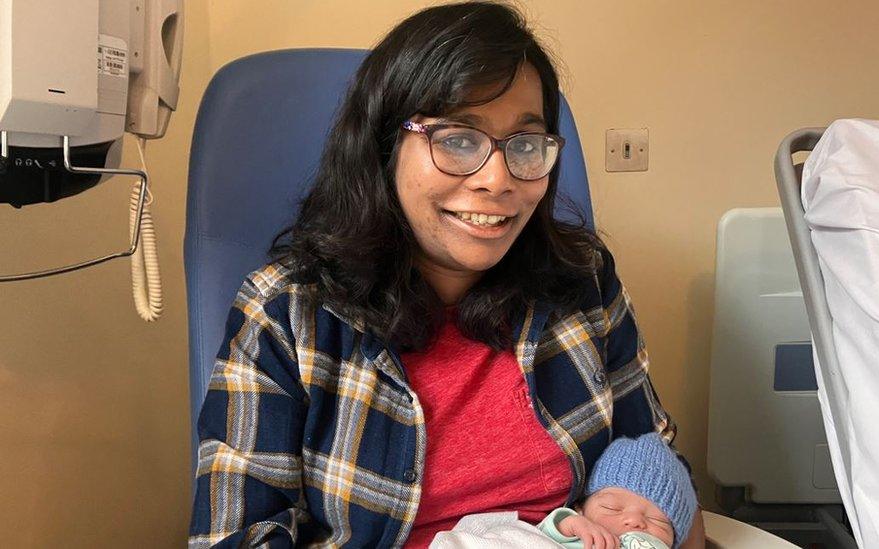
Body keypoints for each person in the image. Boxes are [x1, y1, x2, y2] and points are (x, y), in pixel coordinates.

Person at [189, 2, 705, 547]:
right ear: (384, 145)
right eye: (458, 138)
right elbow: (239, 535)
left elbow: (652, 463)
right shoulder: (286, 314)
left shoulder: (581, 279)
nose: (498, 179)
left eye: (525, 144)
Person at [427, 433, 696, 549]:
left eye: (659, 521)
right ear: (582, 507)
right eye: (612, 507)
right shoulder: (574, 529)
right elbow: (540, 532)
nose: (635, 521)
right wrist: (570, 524)